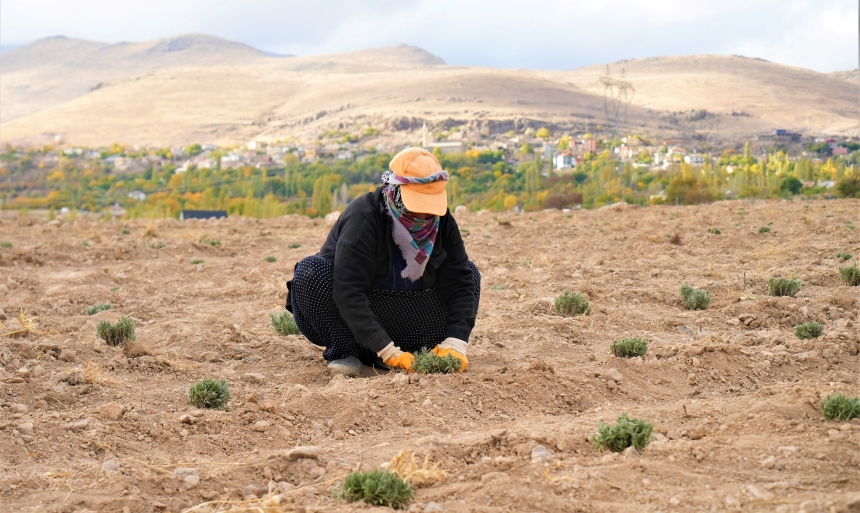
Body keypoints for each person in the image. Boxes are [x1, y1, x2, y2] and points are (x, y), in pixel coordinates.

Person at [285, 147, 480, 376]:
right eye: (418, 205)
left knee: (471, 274)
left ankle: (415, 351)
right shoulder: (363, 217)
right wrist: (389, 352)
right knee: (311, 272)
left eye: (430, 207)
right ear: (395, 189)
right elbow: (347, 290)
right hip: (353, 324)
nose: (424, 216)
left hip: (413, 325)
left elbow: (460, 282)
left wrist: (456, 344)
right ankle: (346, 352)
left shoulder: (443, 223)